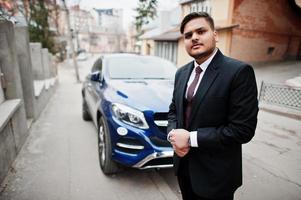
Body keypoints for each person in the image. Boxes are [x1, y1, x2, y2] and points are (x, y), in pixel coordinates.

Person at [167, 12, 258, 200]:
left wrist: (190, 139)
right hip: (183, 169)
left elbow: (242, 130)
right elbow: (174, 111)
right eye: (188, 35)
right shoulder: (181, 73)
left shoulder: (238, 72)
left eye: (201, 31)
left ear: (215, 35)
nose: (194, 37)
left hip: (215, 177)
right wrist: (173, 136)